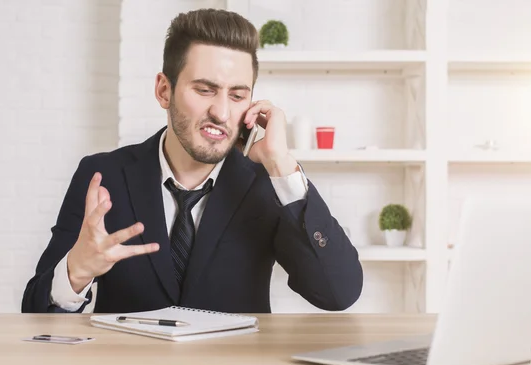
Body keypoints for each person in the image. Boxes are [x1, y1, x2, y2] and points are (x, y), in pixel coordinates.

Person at [21, 8, 363, 314]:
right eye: (204, 90)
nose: (222, 112)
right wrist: (76, 271)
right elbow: (37, 315)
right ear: (164, 91)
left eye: (238, 95)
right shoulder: (102, 176)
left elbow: (338, 294)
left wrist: (283, 166)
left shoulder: (268, 184)